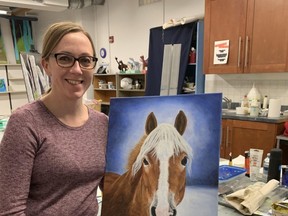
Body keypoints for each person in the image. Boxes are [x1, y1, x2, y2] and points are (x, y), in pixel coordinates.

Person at [0, 22, 108, 215]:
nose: (77, 69)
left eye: (85, 60)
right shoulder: (26, 123)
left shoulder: (102, 124)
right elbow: (9, 210)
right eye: (65, 59)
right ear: (46, 65)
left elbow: (111, 187)